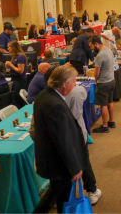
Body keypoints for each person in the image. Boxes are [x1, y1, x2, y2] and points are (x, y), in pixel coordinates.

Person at [32, 65, 101, 214]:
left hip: (51, 159)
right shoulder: (56, 105)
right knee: (54, 195)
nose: (75, 84)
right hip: (59, 163)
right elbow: (63, 141)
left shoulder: (45, 95)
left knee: (59, 195)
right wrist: (74, 168)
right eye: (74, 81)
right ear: (64, 84)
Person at [88, 36, 116, 133]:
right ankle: (111, 121)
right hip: (112, 80)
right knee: (110, 102)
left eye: (91, 46)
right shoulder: (108, 50)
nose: (91, 49)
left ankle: (104, 126)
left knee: (103, 104)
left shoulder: (100, 55)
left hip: (103, 82)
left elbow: (96, 72)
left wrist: (95, 80)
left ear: (96, 44)